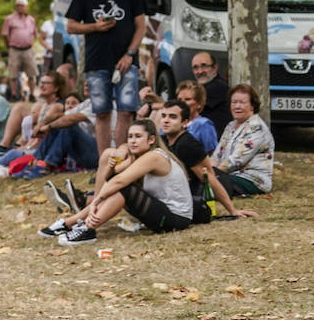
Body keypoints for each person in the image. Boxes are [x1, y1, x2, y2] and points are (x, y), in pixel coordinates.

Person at [39, 119, 192, 245]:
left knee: (123, 188)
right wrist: (113, 165)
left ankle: (86, 228)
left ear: (151, 139)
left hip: (175, 219)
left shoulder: (154, 157)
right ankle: (70, 223)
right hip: (162, 213)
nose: (132, 141)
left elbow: (119, 182)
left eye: (138, 136)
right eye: (130, 136)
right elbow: (113, 177)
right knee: (117, 186)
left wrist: (94, 203)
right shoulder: (140, 156)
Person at [65, 0, 146, 156]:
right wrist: (95, 27)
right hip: (97, 61)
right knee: (102, 113)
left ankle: (122, 158)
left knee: (126, 111)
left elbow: (141, 26)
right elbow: (71, 26)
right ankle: (105, 163)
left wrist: (130, 54)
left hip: (126, 60)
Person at [155, 100, 256, 220]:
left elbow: (208, 177)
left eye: (172, 117)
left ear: (185, 123)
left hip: (191, 197)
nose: (166, 120)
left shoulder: (187, 145)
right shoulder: (163, 140)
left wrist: (232, 210)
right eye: (164, 116)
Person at [211, 84, 274, 198]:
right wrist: (206, 171)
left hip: (251, 179)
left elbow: (236, 160)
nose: (237, 106)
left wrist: (211, 175)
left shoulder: (257, 128)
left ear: (252, 106)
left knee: (210, 185)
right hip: (228, 174)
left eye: (242, 102)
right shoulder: (231, 126)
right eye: (234, 102)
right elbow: (217, 156)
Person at [1, 0, 39, 100]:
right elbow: (4, 34)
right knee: (13, 73)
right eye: (17, 5)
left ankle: (31, 94)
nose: (19, 8)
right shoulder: (10, 19)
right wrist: (8, 46)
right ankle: (14, 94)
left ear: (26, 7)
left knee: (31, 73)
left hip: (28, 49)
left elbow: (35, 34)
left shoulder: (31, 20)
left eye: (21, 6)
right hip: (14, 49)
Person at [190, 51, 231, 134]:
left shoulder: (218, 86)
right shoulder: (202, 88)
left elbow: (183, 106)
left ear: (215, 68)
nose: (200, 71)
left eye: (204, 66)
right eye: (195, 68)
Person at [175, 79, 218, 153]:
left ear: (199, 104)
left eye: (187, 99)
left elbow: (213, 153)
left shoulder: (204, 124)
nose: (182, 103)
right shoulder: (171, 122)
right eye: (179, 100)